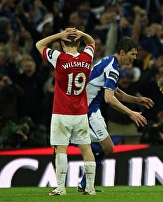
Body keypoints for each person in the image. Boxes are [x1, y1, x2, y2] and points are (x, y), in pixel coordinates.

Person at [77, 36, 154, 192]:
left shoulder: (110, 62)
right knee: (105, 147)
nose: (135, 58)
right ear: (122, 52)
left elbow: (115, 91)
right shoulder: (112, 67)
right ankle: (75, 143)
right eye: (132, 54)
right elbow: (109, 98)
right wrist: (131, 113)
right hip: (86, 111)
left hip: (93, 109)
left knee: (108, 148)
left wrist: (136, 100)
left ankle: (85, 183)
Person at [36, 27, 97, 195]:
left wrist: (59, 35)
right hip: (81, 113)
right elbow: (91, 42)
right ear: (79, 43)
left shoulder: (59, 58)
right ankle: (90, 188)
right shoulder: (87, 57)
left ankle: (61, 188)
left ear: (62, 44)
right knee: (87, 149)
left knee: (61, 149)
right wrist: (82, 34)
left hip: (62, 112)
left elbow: (39, 44)